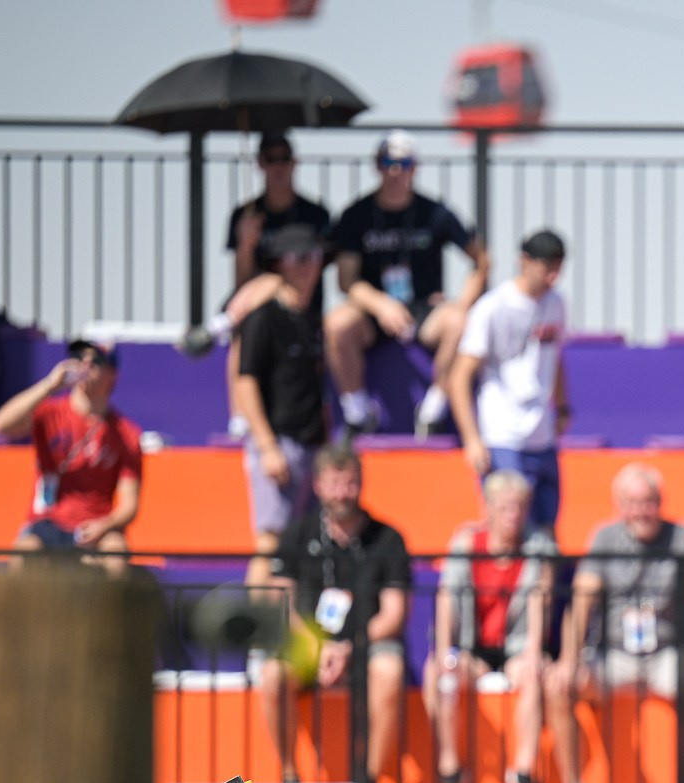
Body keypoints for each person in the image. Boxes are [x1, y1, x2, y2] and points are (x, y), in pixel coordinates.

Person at [550, 463, 684, 783]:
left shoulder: (682, 537)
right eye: (632, 502)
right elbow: (581, 600)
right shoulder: (604, 537)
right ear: (618, 505)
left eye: (648, 502)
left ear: (660, 502)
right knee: (559, 686)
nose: (641, 511)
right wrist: (569, 661)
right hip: (611, 655)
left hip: (666, 655)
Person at [261, 445, 411, 783]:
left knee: (389, 670)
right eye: (334, 483)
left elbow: (394, 613)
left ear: (362, 483)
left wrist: (347, 646)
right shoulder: (297, 533)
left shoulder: (388, 539)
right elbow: (279, 601)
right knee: (272, 673)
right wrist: (318, 646)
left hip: (366, 644)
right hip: (308, 643)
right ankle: (288, 775)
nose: (343, 493)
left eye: (351, 483)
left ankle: (368, 780)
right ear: (317, 485)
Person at [326, 131, 491, 440]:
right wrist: (380, 304)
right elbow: (346, 280)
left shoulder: (436, 212)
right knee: (336, 324)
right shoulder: (356, 215)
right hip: (373, 312)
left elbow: (482, 259)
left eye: (404, 163)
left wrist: (462, 302)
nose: (396, 172)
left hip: (423, 307)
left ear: (416, 167)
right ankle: (357, 411)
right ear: (377, 166)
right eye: (388, 162)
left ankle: (433, 409)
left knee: (459, 321)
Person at [182, 132, 332, 439]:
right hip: (258, 311)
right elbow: (242, 282)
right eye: (270, 159)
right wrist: (246, 246)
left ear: (294, 163)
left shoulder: (315, 214)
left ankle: (219, 324)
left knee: (278, 279)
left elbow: (314, 272)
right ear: (260, 165)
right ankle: (239, 415)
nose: (278, 167)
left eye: (284, 159)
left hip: (302, 305)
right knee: (255, 312)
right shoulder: (245, 214)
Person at [426, 470, 557, 783]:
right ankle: (451, 773)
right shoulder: (467, 544)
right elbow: (445, 599)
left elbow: (539, 603)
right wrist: (443, 652)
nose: (512, 515)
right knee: (442, 674)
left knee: (533, 672)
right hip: (472, 647)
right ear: (488, 508)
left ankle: (525, 777)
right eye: (504, 508)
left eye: (518, 507)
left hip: (516, 647)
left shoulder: (538, 546)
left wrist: (532, 654)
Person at [448, 230, 571, 531]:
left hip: (541, 436)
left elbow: (553, 357)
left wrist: (563, 405)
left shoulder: (556, 303)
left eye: (557, 268)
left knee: (545, 534)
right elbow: (459, 376)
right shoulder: (493, 307)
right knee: (510, 529)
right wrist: (472, 439)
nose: (552, 277)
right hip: (502, 436)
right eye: (546, 268)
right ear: (524, 261)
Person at [233, 224, 329, 581]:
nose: (309, 265)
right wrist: (266, 445)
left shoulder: (311, 318)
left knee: (302, 547)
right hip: (278, 443)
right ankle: (256, 634)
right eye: (300, 257)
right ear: (280, 265)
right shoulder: (263, 318)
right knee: (270, 543)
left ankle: (289, 632)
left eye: (315, 257)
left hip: (311, 445)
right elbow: (245, 382)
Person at [0, 339, 141, 559]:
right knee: (24, 551)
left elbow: (130, 504)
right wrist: (50, 384)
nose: (85, 365)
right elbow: (0, 426)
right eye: (80, 358)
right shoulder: (50, 412)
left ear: (112, 374)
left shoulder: (126, 433)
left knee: (115, 553)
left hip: (94, 525)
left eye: (96, 360)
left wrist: (103, 526)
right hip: (47, 522)